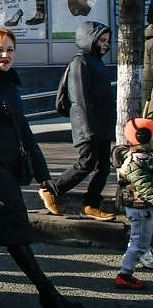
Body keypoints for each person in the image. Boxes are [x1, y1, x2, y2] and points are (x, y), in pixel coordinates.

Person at [0, 26, 84, 308]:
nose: (5, 55)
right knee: (15, 226)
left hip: (6, 166)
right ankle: (47, 293)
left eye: (10, 49)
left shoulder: (7, 83)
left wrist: (44, 173)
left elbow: (24, 131)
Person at [43, 21, 116, 220]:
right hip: (89, 125)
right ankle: (52, 190)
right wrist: (86, 127)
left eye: (107, 41)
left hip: (101, 125)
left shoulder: (95, 61)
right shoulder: (80, 61)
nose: (106, 44)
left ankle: (91, 205)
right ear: (89, 38)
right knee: (86, 163)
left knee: (103, 167)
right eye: (102, 40)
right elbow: (79, 98)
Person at [112, 119, 153, 289]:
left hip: (140, 207)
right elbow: (145, 186)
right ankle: (124, 274)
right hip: (141, 208)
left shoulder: (134, 156)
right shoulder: (138, 160)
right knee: (139, 244)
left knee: (140, 240)